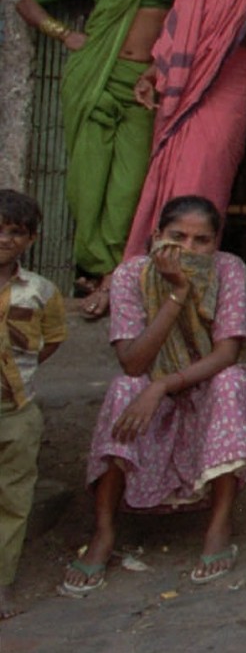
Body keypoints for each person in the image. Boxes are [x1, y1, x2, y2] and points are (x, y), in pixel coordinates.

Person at [61, 196, 246, 594]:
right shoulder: (132, 275)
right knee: (123, 389)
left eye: (201, 241)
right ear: (157, 237)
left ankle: (219, 527)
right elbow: (133, 363)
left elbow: (226, 353)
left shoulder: (229, 269)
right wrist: (177, 292)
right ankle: (104, 532)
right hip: (151, 373)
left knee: (231, 383)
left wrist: (165, 384)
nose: (189, 249)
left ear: (215, 243)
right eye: (177, 237)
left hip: (209, 371)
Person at [16, 0, 186, 319]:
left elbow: (190, 18)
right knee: (88, 182)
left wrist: (157, 69)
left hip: (144, 84)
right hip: (95, 76)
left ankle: (115, 272)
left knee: (130, 184)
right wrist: (64, 34)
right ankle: (103, 274)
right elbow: (27, 3)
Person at [123, 0, 246, 265]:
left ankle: (195, 268)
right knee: (172, 169)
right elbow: (180, 36)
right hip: (186, 82)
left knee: (207, 169)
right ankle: (157, 267)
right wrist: (153, 74)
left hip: (233, 75)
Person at [0, 191, 66, 621]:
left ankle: (1, 582)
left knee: (12, 499)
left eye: (15, 232)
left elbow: (52, 341)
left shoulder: (41, 291)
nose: (4, 239)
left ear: (31, 239)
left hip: (16, 413)